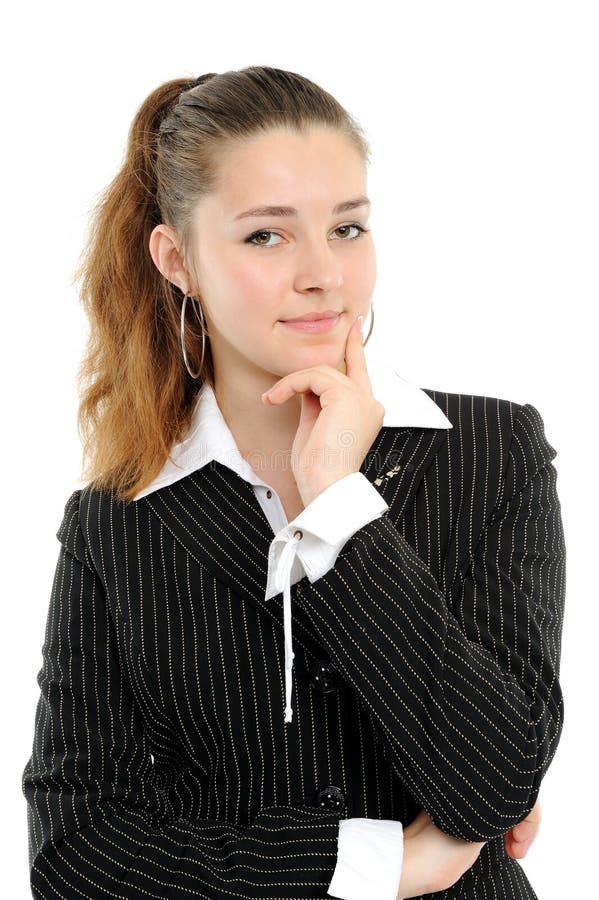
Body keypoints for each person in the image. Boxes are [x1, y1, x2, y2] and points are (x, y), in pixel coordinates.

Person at [21, 67, 564, 899]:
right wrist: (376, 864)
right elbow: (80, 858)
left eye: (347, 228)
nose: (324, 274)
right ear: (178, 260)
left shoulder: (490, 451)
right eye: (266, 236)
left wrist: (340, 504)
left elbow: (494, 786)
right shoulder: (115, 518)